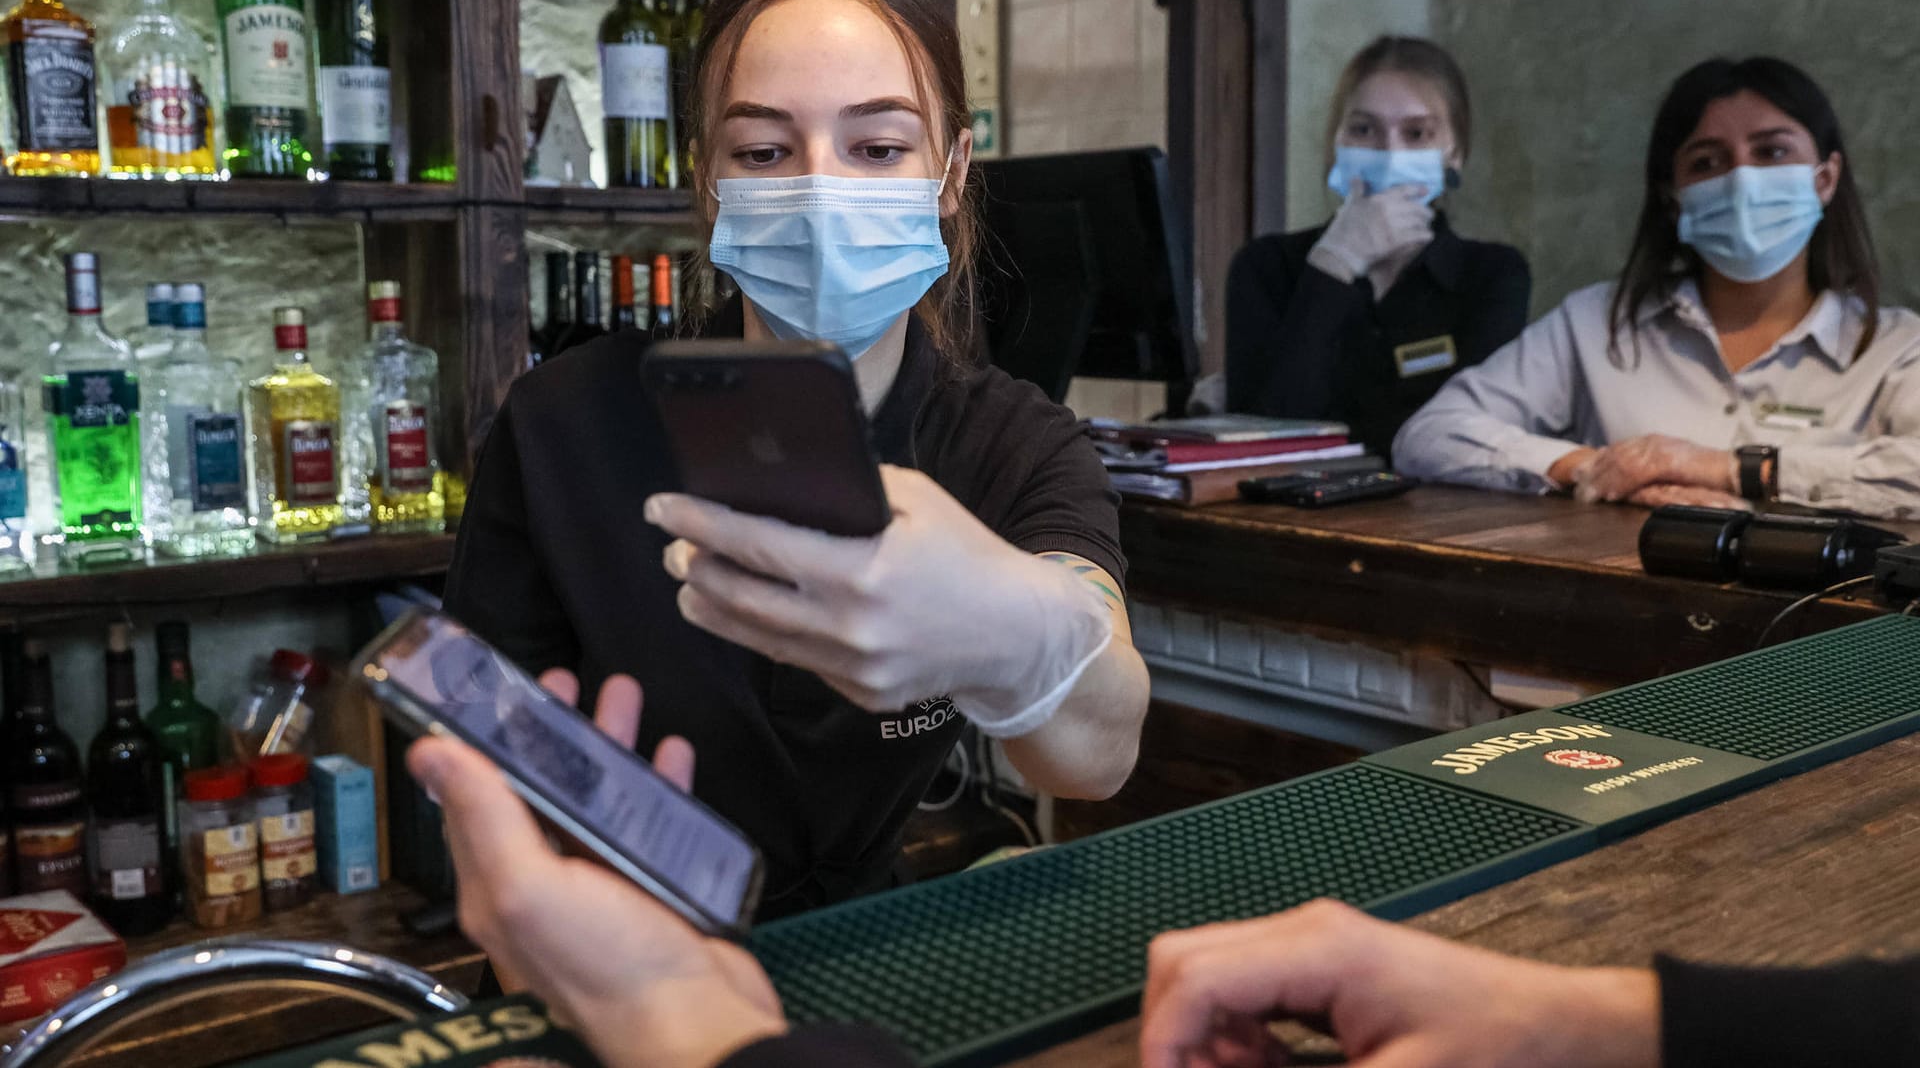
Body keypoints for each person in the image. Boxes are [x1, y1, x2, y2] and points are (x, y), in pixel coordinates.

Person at [444, 0, 1148, 923]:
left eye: (880, 147)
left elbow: (1098, 756)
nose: (824, 189)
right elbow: (479, 756)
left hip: (851, 954)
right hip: (604, 949)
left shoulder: (1014, 446)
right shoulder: (561, 423)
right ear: (710, 181)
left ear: (950, 170)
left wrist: (1017, 633)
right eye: (765, 152)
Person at [410, 683, 1920, 1068]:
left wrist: (687, 1019)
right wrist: (1601, 1026)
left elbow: (1100, 726)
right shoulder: (564, 427)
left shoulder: (999, 431)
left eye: (873, 143)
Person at [1394, 57, 1920, 520]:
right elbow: (1430, 435)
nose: (1741, 182)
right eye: (1707, 162)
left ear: (1824, 179)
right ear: (1673, 198)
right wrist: (1596, 468)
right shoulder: (1597, 322)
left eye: (1771, 152)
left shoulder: (1895, 348)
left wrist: (1727, 470)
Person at [1225, 36, 1530, 460]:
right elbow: (1255, 434)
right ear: (1336, 141)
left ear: (1454, 153)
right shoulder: (1266, 266)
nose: (1390, 152)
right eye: (1364, 129)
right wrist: (1335, 263)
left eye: (1417, 133)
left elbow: (1466, 436)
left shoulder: (1492, 275)